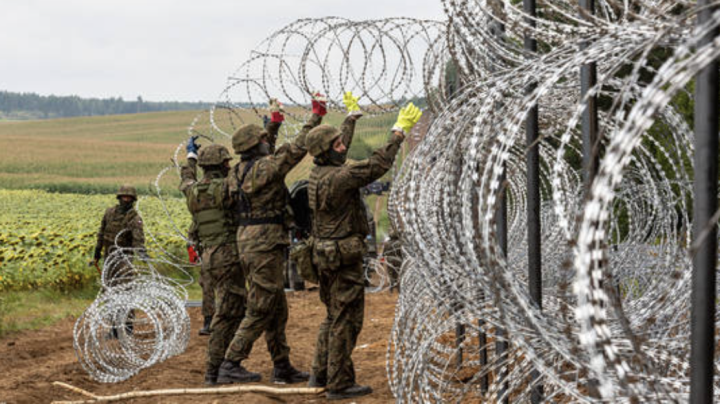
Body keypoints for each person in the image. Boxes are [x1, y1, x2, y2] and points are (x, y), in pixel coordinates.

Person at [305, 96, 422, 400]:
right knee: (347, 320)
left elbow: (335, 148)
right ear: (327, 152)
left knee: (333, 315)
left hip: (324, 254)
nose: (343, 147)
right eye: (338, 145)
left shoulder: (318, 174)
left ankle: (319, 372)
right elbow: (378, 165)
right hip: (343, 258)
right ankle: (339, 383)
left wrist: (350, 119)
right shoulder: (340, 177)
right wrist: (398, 132)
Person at [216, 94, 327, 385]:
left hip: (250, 241)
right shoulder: (265, 168)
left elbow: (271, 155)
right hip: (265, 242)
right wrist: (315, 117)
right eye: (264, 139)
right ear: (257, 146)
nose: (268, 141)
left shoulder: (238, 172)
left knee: (277, 307)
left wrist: (275, 124)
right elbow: (296, 149)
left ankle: (282, 366)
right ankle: (231, 362)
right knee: (262, 306)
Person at [180, 141, 246, 385]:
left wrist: (191, 157)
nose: (230, 165)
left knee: (233, 308)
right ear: (221, 165)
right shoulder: (227, 188)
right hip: (228, 253)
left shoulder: (193, 191)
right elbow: (247, 174)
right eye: (226, 162)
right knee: (230, 312)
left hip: (208, 255)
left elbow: (185, 178)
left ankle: (222, 365)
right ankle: (217, 368)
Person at [93, 184, 146, 337]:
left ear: (133, 200)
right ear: (119, 198)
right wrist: (97, 252)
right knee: (110, 292)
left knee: (125, 293)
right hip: (109, 258)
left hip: (124, 259)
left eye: (129, 198)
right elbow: (101, 233)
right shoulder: (109, 213)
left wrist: (141, 252)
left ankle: (128, 326)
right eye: (124, 197)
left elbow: (138, 237)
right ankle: (114, 328)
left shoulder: (134, 217)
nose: (126, 200)